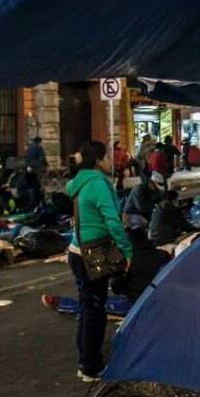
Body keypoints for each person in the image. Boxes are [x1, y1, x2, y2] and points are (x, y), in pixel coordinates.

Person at [66, 140, 133, 383]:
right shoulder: (97, 184)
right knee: (95, 310)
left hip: (76, 251)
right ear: (97, 161)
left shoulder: (79, 182)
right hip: (92, 255)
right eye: (106, 157)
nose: (109, 161)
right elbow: (112, 221)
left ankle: (84, 359)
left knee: (87, 306)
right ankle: (90, 366)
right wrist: (126, 250)